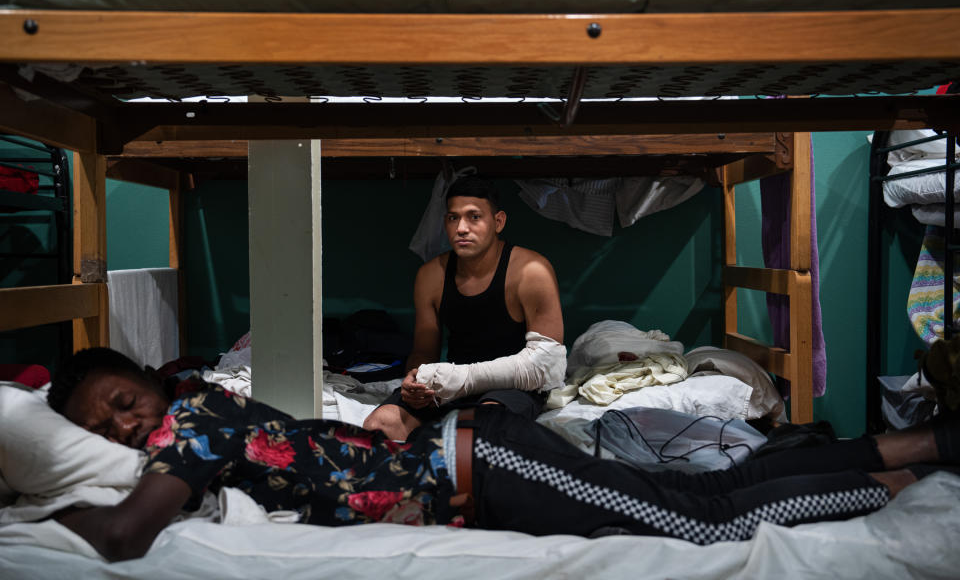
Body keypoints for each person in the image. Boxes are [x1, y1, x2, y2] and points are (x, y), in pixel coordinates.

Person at [48, 347, 960, 562]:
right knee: (715, 482)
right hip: (481, 451)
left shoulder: (194, 425)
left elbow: (129, 532)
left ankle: (902, 481)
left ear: (154, 387)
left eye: (124, 404)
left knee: (708, 523)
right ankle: (924, 441)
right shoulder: (208, 409)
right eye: (101, 430)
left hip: (487, 465)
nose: (125, 430)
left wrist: (52, 509)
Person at [363, 175, 566, 440]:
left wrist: (461, 378)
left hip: (514, 386)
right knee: (379, 425)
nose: (461, 228)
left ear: (498, 222)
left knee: (480, 430)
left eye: (474, 217)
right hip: (450, 385)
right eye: (452, 218)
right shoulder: (430, 276)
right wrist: (416, 379)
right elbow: (424, 350)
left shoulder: (531, 271)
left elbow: (547, 365)